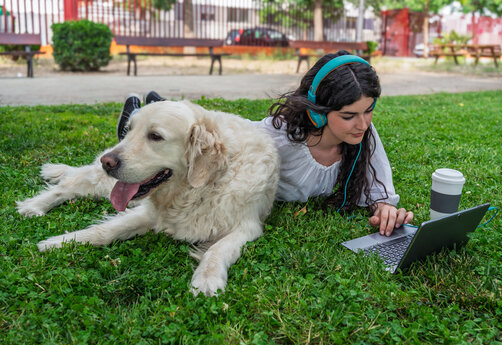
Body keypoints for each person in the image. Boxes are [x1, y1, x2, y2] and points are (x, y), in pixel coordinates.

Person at [116, 51, 413, 236]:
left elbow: (379, 188)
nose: (363, 124)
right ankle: (151, 117)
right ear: (316, 112)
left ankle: (158, 108)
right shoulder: (280, 136)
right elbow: (230, 140)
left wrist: (385, 208)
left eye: (369, 110)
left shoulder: (362, 136)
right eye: (349, 115)